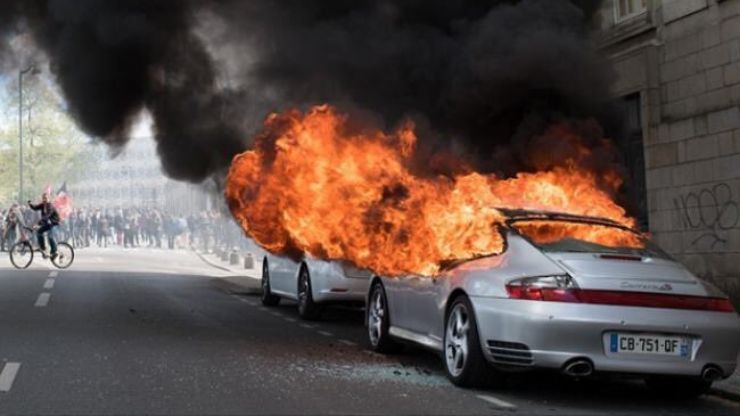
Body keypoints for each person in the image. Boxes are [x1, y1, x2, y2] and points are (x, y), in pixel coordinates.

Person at [28, 193, 61, 259]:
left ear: (48, 199)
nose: (44, 200)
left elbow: (46, 216)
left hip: (54, 223)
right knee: (39, 232)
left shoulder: (50, 206)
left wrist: (38, 224)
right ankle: (44, 249)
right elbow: (35, 208)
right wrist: (30, 203)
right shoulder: (43, 205)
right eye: (43, 198)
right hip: (48, 224)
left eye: (46, 198)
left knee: (50, 237)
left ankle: (54, 252)